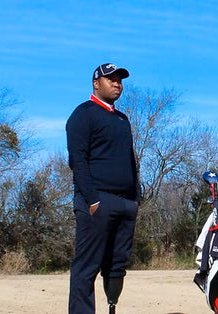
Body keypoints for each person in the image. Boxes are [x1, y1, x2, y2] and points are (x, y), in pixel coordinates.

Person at [66, 63, 140, 314]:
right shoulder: (83, 114)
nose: (117, 83)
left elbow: (130, 160)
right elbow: (78, 160)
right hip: (97, 202)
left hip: (125, 204)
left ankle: (111, 309)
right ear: (96, 83)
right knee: (86, 267)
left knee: (116, 266)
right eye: (111, 79)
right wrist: (92, 200)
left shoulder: (122, 119)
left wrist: (135, 199)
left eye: (120, 80)